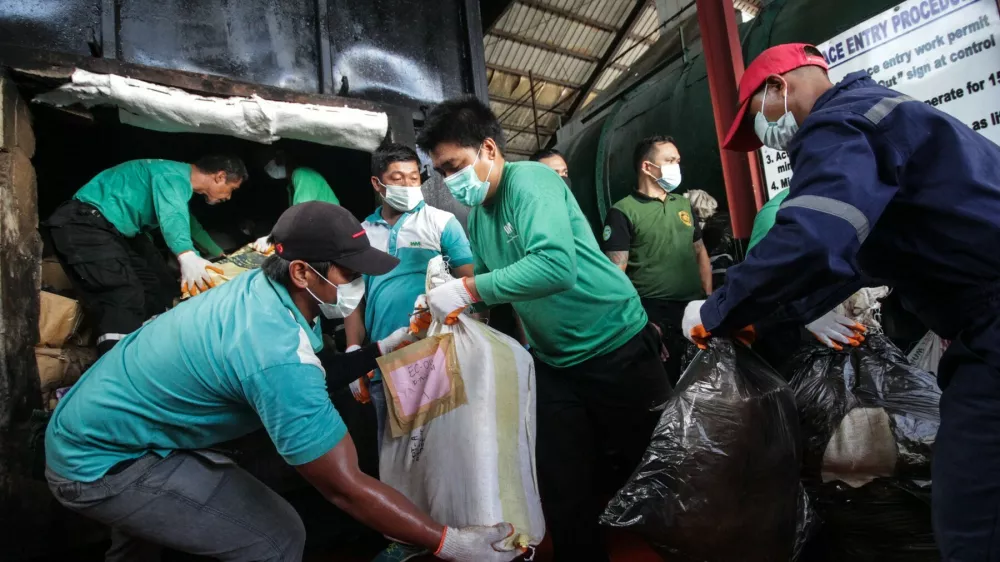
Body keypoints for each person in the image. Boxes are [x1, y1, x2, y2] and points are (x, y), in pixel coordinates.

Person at [44, 201, 521, 562]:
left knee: (153, 539)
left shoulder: (264, 286)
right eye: (351, 272)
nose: (359, 284)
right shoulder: (274, 352)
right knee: (277, 538)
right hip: (104, 463)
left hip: (113, 423)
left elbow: (314, 370)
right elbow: (344, 486)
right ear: (301, 271)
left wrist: (381, 348)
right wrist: (450, 542)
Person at [679, 43, 1000, 560]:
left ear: (778, 88)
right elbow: (852, 261)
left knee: (974, 514)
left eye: (756, 117)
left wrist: (717, 310)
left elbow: (814, 238)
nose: (765, 136)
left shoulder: (841, 124)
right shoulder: (884, 114)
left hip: (991, 322)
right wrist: (773, 314)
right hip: (981, 320)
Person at [417, 97, 671, 562]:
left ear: (489, 149)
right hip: (555, 362)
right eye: (441, 171)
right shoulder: (481, 218)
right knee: (563, 482)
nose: (450, 180)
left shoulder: (529, 182)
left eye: (454, 165)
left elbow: (555, 267)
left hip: (617, 345)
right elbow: (498, 299)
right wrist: (452, 317)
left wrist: (468, 290)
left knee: (656, 466)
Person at [46, 156, 247, 356]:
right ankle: (117, 365)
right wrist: (186, 254)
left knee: (161, 287)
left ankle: (152, 351)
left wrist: (220, 254)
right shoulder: (171, 176)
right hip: (85, 222)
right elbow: (172, 217)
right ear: (220, 177)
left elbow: (189, 223)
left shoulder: (176, 182)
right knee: (122, 293)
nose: (228, 197)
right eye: (232, 190)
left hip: (117, 231)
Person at [344, 143, 474, 446]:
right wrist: (353, 353)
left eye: (414, 177)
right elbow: (354, 303)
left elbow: (470, 283)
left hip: (437, 354)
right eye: (398, 178)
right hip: (384, 362)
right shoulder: (362, 236)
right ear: (378, 184)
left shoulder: (441, 223)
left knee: (445, 451)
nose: (408, 185)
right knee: (397, 458)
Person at [600, 136, 712, 384]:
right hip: (654, 315)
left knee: (703, 384)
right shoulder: (623, 212)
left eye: (678, 161)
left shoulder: (682, 204)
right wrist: (641, 323)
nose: (676, 166)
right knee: (668, 386)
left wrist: (707, 297)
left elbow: (700, 252)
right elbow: (615, 275)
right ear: (647, 167)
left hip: (692, 309)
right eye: (670, 160)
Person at [252, 151, 341, 253]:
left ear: (282, 159)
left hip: (331, 232)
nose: (268, 168)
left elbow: (300, 214)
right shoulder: (292, 185)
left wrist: (272, 237)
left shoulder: (302, 174)